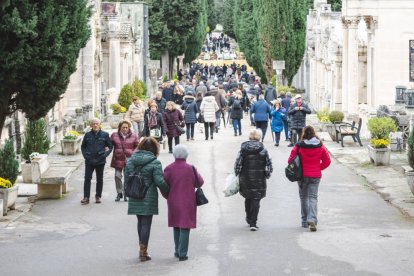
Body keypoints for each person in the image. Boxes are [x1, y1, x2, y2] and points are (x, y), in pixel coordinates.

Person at [124, 137, 169, 261]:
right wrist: (168, 192)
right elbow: (159, 181)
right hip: (148, 196)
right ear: (155, 149)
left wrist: (126, 192)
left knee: (140, 221)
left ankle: (142, 248)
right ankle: (143, 251)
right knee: (146, 223)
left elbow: (127, 178)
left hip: (135, 193)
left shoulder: (131, 161)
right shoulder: (155, 162)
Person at [163, 145, 204, 261]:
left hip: (173, 201)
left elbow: (163, 184)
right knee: (185, 226)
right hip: (188, 201)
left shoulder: (169, 168)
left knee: (176, 225)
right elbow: (200, 182)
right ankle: (182, 253)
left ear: (174, 154)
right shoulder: (191, 168)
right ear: (186, 155)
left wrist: (167, 195)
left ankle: (177, 250)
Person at [287, 126, 331, 232]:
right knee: (313, 198)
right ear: (314, 133)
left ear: (304, 134)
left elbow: (290, 161)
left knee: (303, 198)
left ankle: (304, 221)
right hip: (315, 176)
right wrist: (318, 168)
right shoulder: (320, 146)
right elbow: (327, 161)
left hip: (302, 176)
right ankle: (312, 219)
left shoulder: (298, 146)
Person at [234, 129, 273, 231]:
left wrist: (237, 173)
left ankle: (248, 217)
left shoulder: (243, 150)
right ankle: (253, 222)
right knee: (256, 199)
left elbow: (238, 164)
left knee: (248, 197)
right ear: (259, 137)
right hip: (259, 178)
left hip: (245, 178)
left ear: (250, 137)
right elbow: (269, 165)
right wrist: (267, 174)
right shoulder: (264, 150)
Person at [80, 118, 113, 205]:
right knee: (87, 178)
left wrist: (104, 155)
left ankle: (98, 196)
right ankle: (86, 197)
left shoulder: (105, 135)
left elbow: (110, 147)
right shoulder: (87, 135)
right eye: (93, 124)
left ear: (100, 124)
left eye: (97, 123)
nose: (95, 125)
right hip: (89, 160)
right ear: (91, 125)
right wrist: (85, 156)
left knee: (100, 179)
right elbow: (83, 146)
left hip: (100, 160)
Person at [110, 120, 139, 202]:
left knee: (128, 177)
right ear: (120, 128)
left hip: (129, 159)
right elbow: (109, 144)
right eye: (123, 127)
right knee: (117, 176)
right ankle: (119, 193)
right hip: (118, 158)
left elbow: (138, 146)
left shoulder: (134, 136)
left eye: (126, 127)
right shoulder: (114, 135)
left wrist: (133, 153)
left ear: (129, 127)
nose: (125, 129)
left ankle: (126, 194)